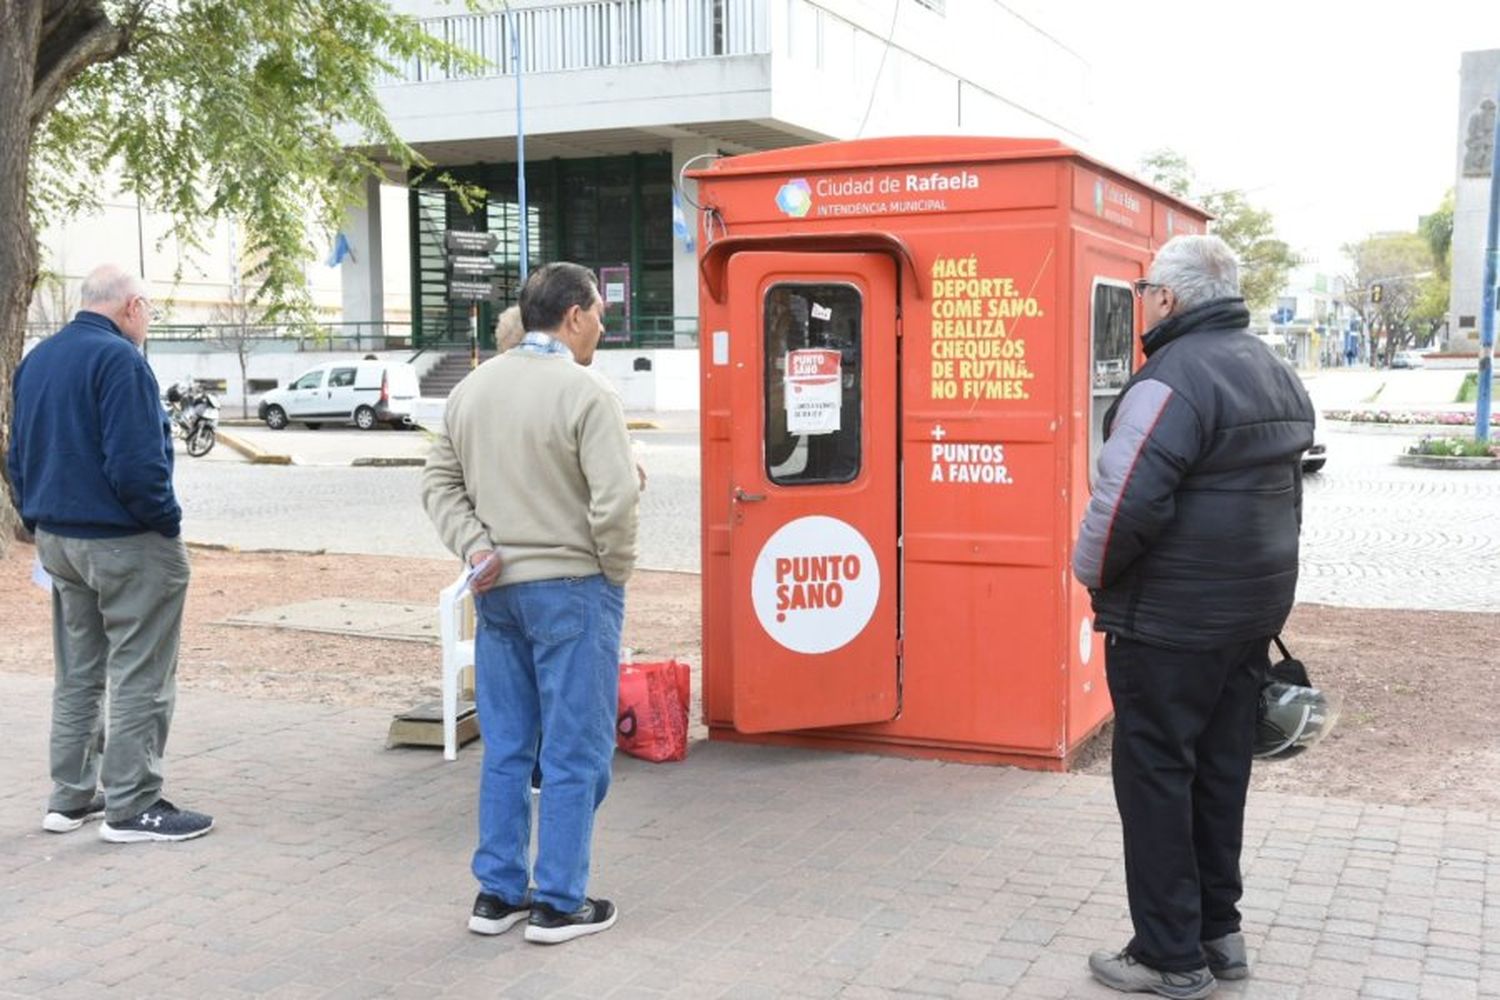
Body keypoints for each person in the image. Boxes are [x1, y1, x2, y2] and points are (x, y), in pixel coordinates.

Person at [1072, 235, 1313, 998]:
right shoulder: (1273, 368)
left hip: (1168, 622)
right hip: (1249, 613)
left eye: (1147, 291)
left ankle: (1168, 956)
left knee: (1156, 779)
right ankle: (1219, 934)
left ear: (1168, 299)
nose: (1143, 304)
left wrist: (1087, 573)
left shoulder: (1169, 380)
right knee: (1218, 772)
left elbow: (1124, 505)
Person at [422, 262, 639, 944]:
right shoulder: (587, 392)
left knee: (509, 746)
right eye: (599, 313)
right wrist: (613, 569)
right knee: (575, 751)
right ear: (572, 315)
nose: (603, 326)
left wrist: (477, 547)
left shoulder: (472, 389)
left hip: (499, 590)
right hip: (575, 587)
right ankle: (559, 900)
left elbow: (439, 481)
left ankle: (498, 892)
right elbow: (617, 499)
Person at [7, 264, 213, 843]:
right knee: (140, 669)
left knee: (78, 669)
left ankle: (70, 796)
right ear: (132, 307)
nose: (148, 321)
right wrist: (165, 523)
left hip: (59, 539)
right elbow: (137, 464)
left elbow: (16, 454)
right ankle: (132, 804)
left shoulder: (38, 360)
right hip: (124, 541)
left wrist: (35, 518)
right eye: (149, 310)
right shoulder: (121, 361)